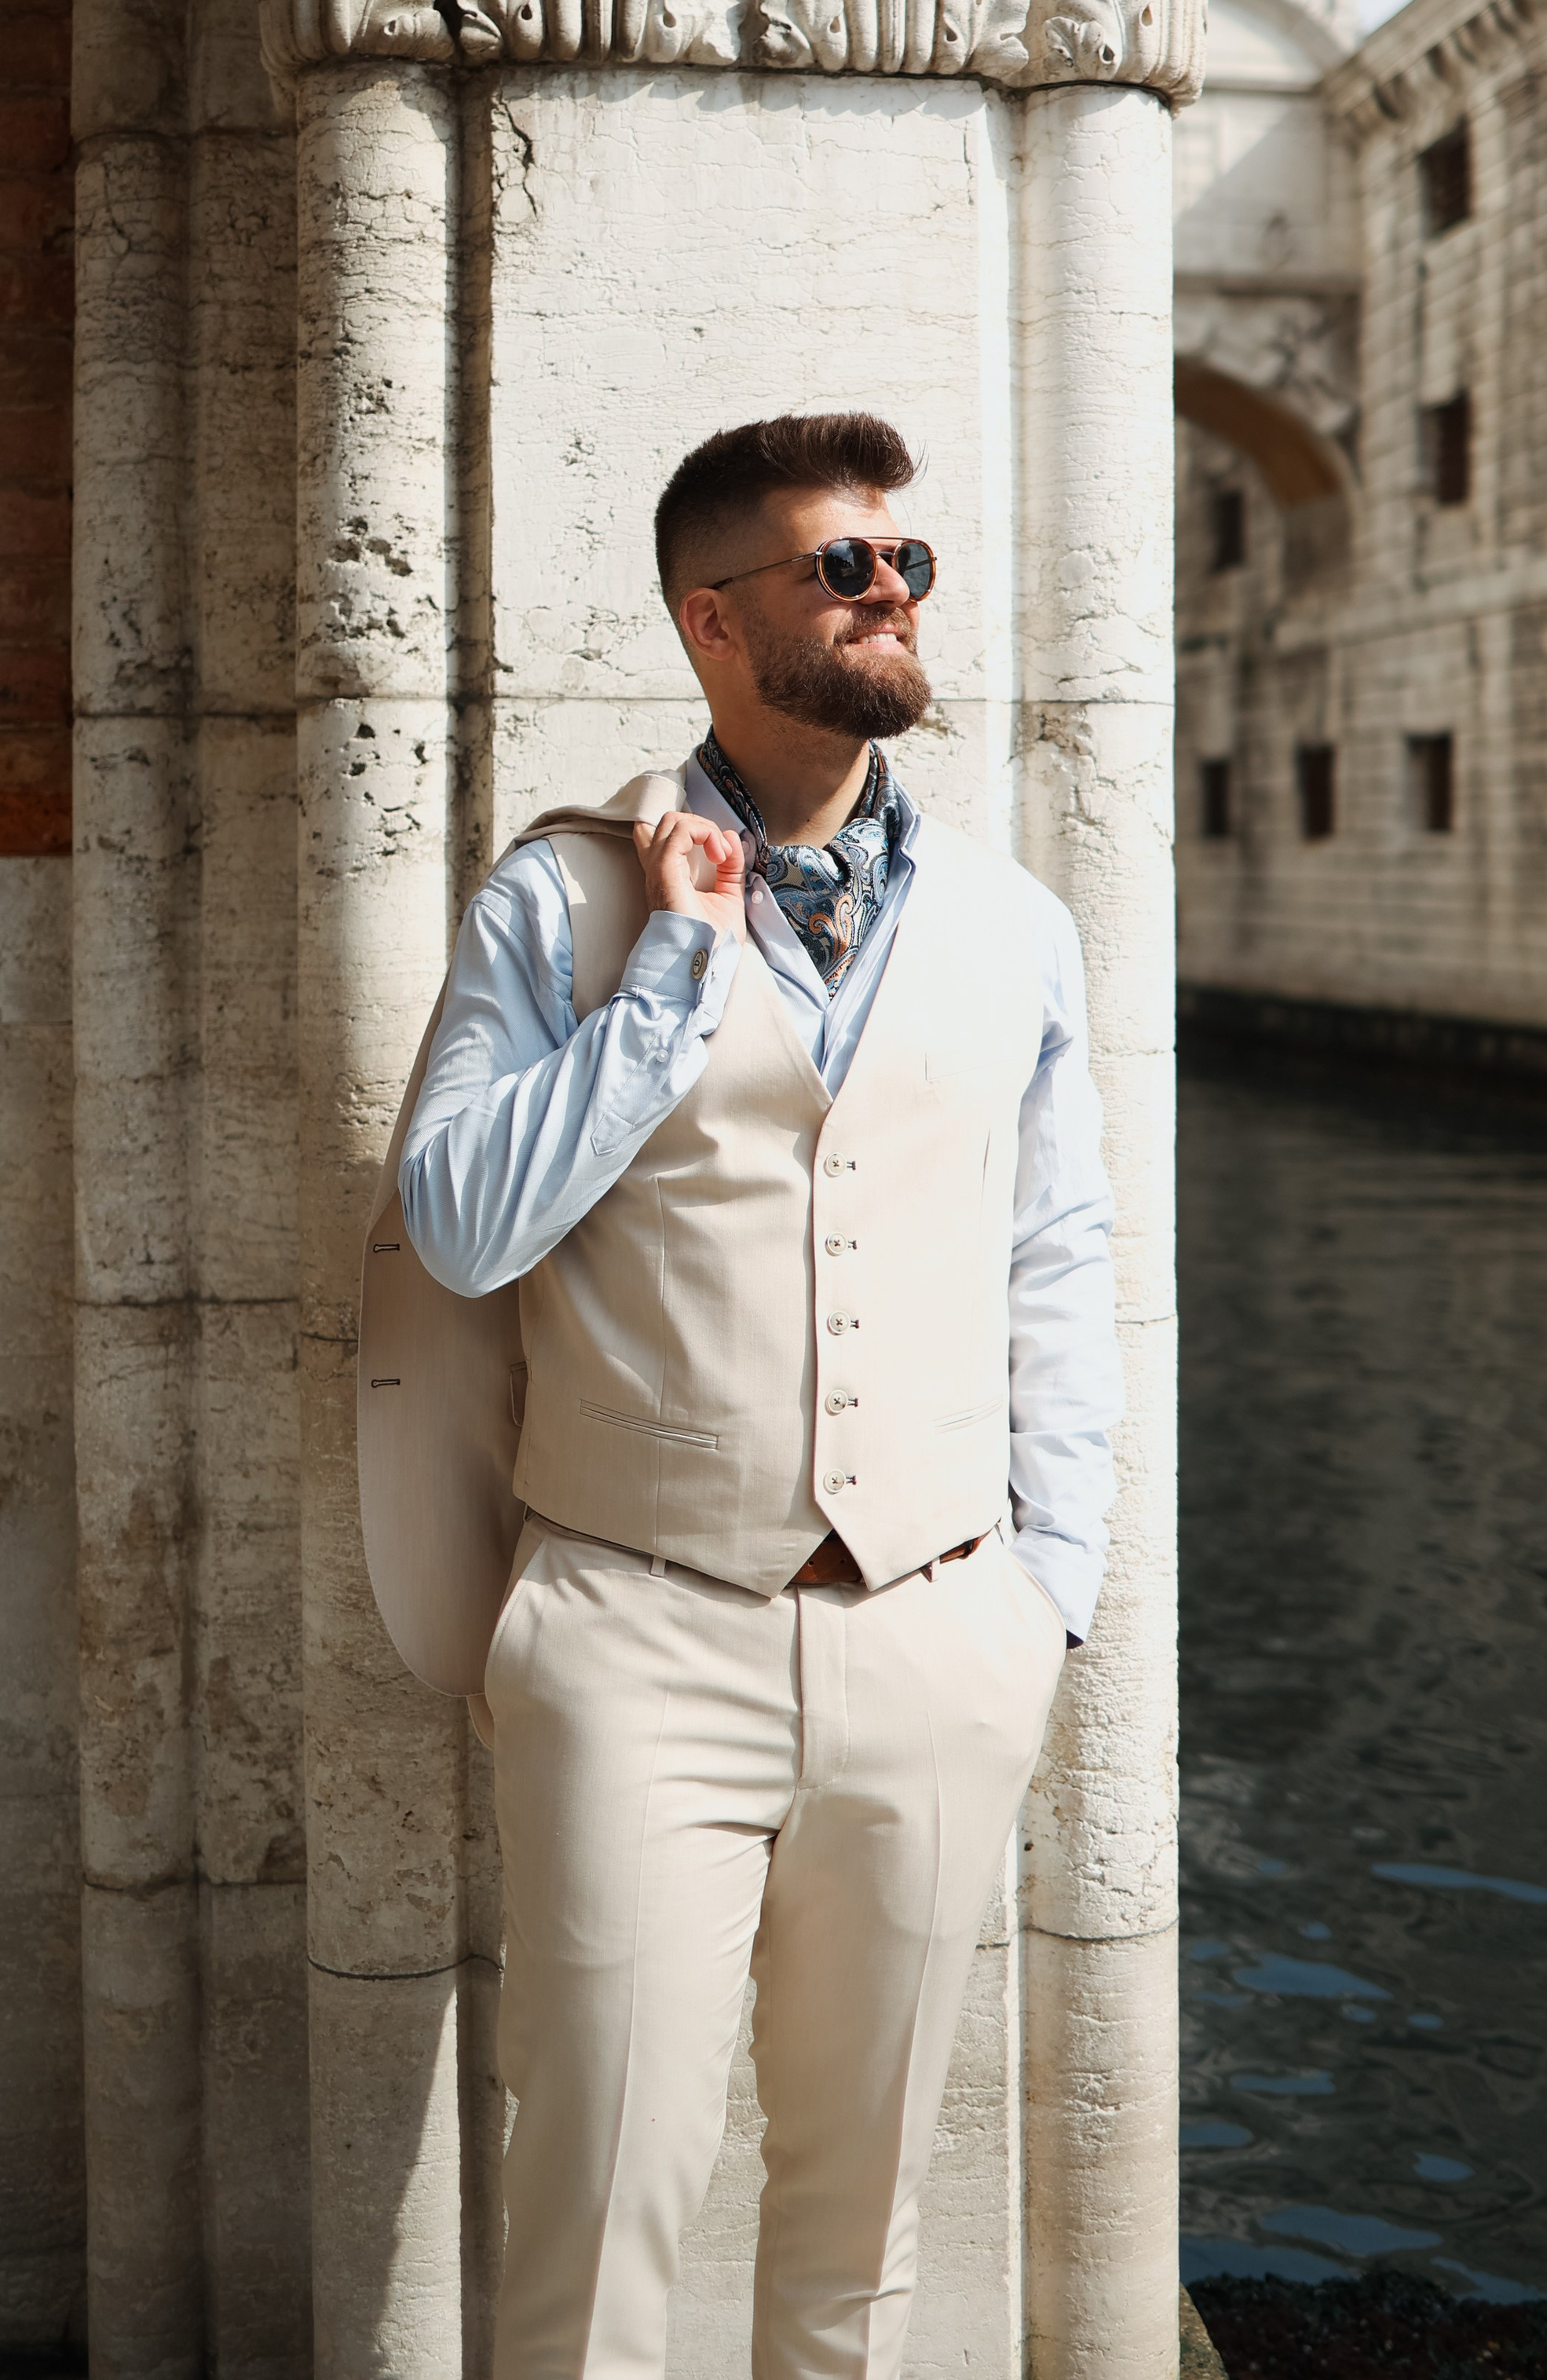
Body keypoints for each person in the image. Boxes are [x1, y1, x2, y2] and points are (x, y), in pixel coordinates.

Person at [397, 411, 1121, 2380]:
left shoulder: (1012, 923)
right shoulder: (560, 906)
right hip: (637, 1632)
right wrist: (670, 975)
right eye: (842, 565)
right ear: (710, 621)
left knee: (860, 2224)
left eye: (908, 561)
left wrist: (1042, 1590)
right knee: (593, 2218)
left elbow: (1058, 1261)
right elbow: (457, 1228)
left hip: (937, 1630)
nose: (892, 594)